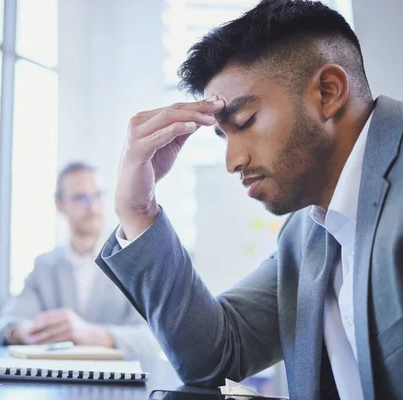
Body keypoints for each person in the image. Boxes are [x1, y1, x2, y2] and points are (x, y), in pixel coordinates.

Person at [95, 1, 403, 399]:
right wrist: (138, 212)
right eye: (224, 136)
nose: (233, 161)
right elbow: (215, 357)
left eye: (245, 123)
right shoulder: (307, 234)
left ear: (328, 92)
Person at [0, 162, 159, 356]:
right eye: (81, 198)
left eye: (98, 196)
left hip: (121, 383)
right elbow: (3, 327)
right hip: (57, 381)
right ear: (60, 205)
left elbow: (155, 338)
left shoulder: (134, 262)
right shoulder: (44, 267)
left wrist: (91, 334)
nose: (93, 206)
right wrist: (24, 332)